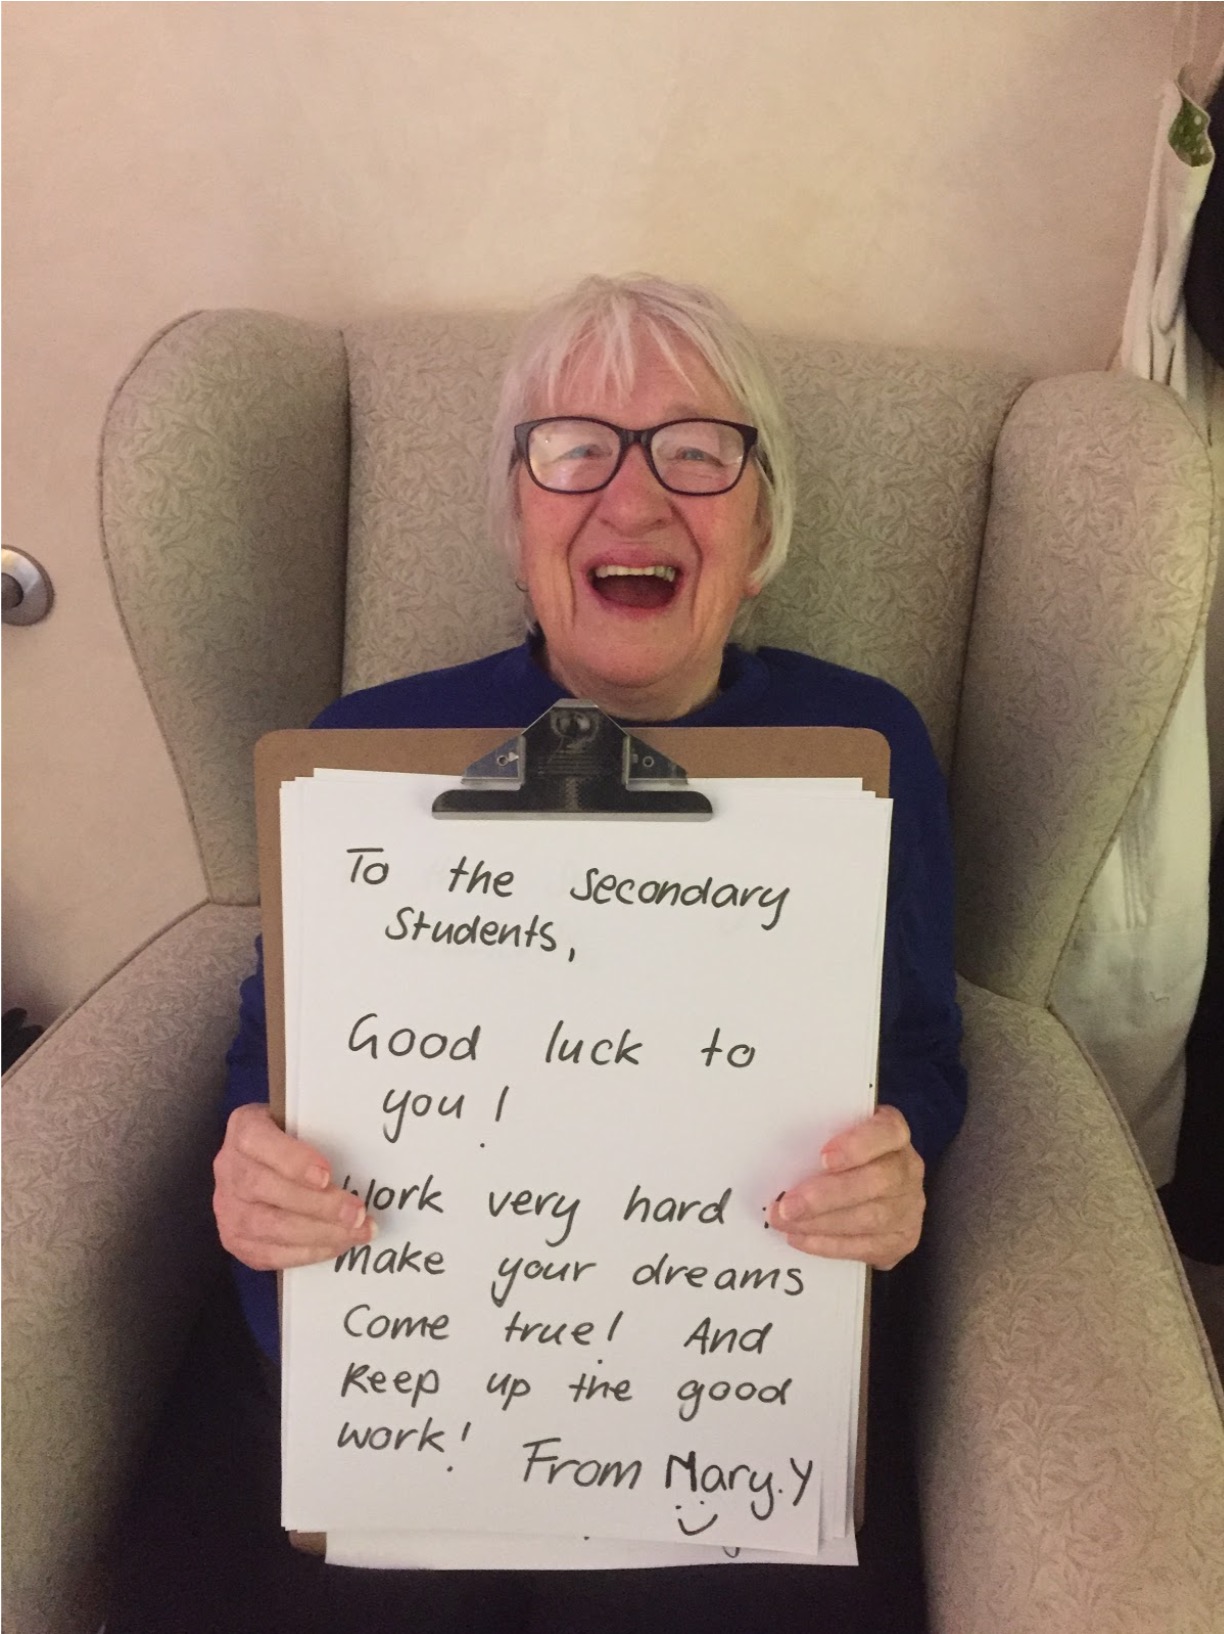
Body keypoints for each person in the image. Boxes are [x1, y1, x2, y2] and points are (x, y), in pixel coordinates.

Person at [212, 274, 966, 1633]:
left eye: (697, 450)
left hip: (726, 1407)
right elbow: (268, 1043)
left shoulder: (869, 744)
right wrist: (249, 1157)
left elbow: (922, 1041)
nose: (633, 498)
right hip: (402, 1398)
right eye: (574, 450)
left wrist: (903, 1157)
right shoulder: (371, 751)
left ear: (764, 521)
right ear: (516, 522)